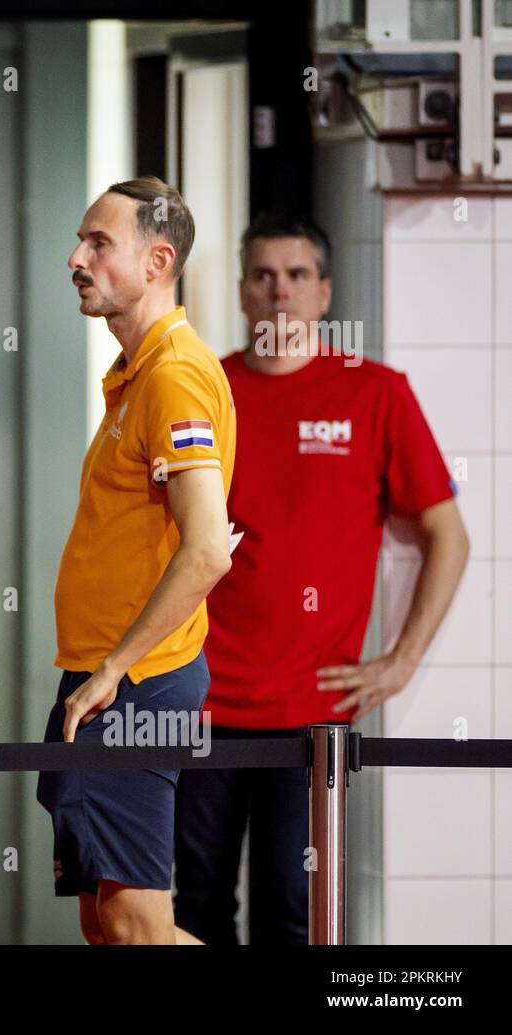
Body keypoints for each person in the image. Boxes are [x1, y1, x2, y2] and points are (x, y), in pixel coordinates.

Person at [173, 214, 470, 944]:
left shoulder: (374, 394)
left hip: (312, 714)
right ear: (242, 290)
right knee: (194, 907)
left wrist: (400, 661)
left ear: (325, 292)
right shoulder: (203, 391)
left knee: (296, 913)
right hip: (198, 701)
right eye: (264, 275)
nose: (281, 291)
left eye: (297, 275)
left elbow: (449, 537)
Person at [35, 176, 235, 946]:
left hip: (135, 681)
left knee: (135, 923)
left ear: (157, 261)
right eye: (81, 241)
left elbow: (208, 547)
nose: (75, 258)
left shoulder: (174, 376)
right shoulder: (138, 374)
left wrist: (117, 667)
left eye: (97, 244)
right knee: (105, 919)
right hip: (103, 674)